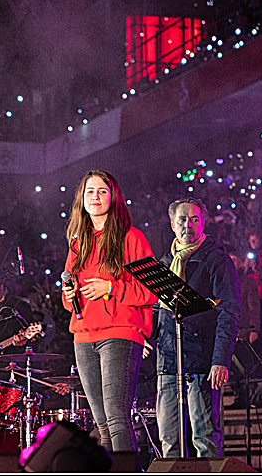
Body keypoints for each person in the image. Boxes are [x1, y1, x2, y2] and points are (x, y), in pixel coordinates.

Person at [60, 170, 156, 454]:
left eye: (102, 191)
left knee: (116, 418)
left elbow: (151, 291)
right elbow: (70, 302)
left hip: (120, 333)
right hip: (84, 336)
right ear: (82, 199)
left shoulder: (132, 237)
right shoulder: (78, 244)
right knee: (101, 424)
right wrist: (69, 295)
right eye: (90, 191)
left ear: (113, 197)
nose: (96, 197)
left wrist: (111, 288)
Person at [153, 197, 241, 459]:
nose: (188, 225)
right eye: (182, 219)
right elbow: (156, 309)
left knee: (204, 436)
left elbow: (230, 312)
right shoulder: (164, 262)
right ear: (172, 224)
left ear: (203, 223)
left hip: (201, 360)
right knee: (168, 437)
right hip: (168, 360)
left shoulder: (217, 260)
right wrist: (148, 336)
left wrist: (220, 360)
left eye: (194, 219)